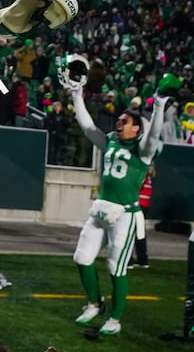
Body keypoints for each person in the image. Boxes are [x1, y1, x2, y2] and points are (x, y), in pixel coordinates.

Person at [67, 82, 167, 335]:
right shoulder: (111, 141)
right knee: (82, 258)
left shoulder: (143, 150)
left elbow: (153, 135)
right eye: (119, 120)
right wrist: (77, 95)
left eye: (124, 121)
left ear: (137, 128)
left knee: (116, 268)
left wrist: (159, 104)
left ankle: (115, 318)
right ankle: (94, 303)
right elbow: (88, 128)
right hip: (101, 210)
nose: (118, 124)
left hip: (124, 215)